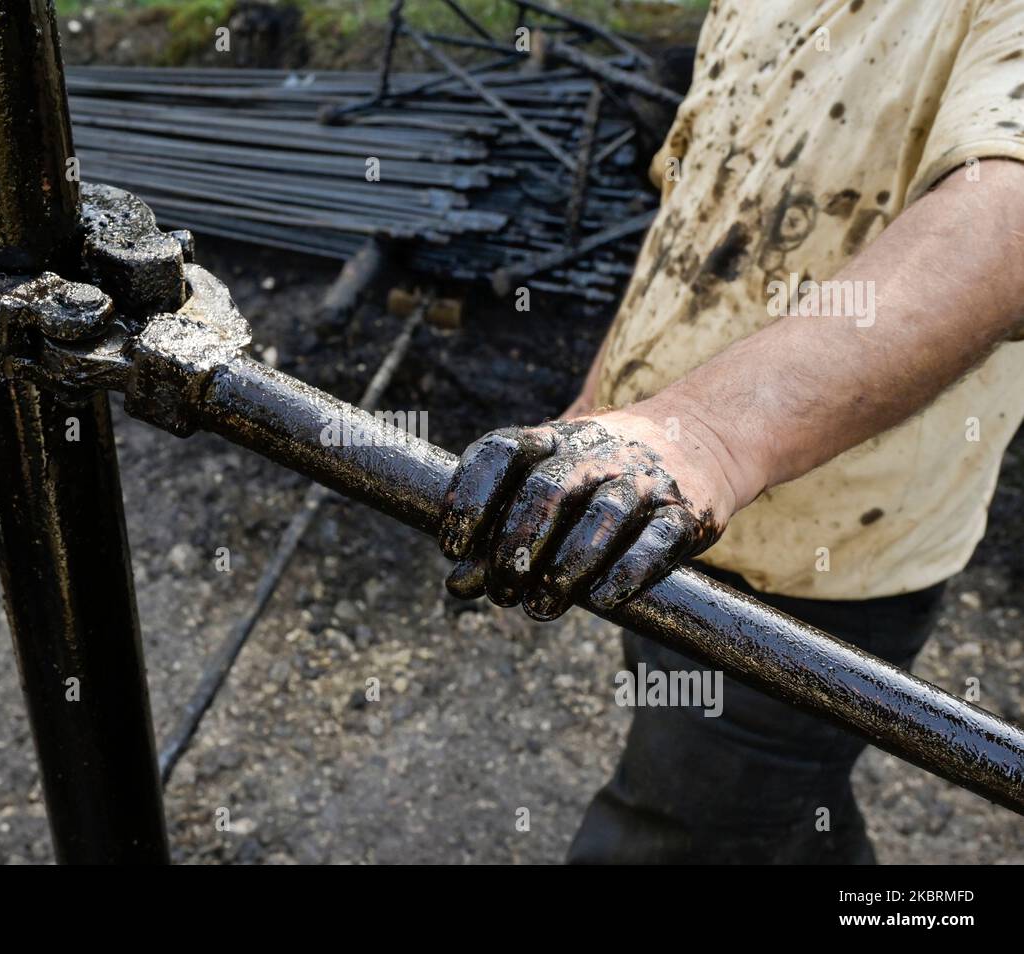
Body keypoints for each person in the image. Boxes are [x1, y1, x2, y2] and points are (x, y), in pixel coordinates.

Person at [439, 0, 1024, 863]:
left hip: (825, 553)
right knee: (764, 810)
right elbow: (693, 222)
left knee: (675, 832)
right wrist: (597, 412)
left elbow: (1007, 218)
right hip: (666, 501)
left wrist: (704, 436)